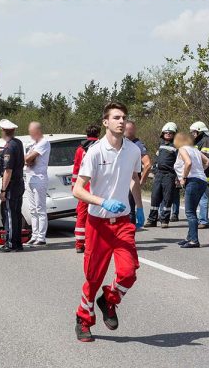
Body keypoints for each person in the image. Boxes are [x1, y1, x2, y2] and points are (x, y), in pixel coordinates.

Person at [73, 102, 144, 343]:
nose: (121, 121)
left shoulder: (133, 150)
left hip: (122, 222)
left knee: (128, 272)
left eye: (124, 117)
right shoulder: (95, 152)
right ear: (106, 122)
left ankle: (109, 299)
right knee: (93, 277)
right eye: (116, 117)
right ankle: (83, 318)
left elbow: (134, 179)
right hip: (98, 224)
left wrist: (141, 208)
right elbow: (78, 190)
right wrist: (102, 202)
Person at [173, 132, 209, 248]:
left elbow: (188, 163)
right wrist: (200, 170)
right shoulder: (195, 150)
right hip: (202, 180)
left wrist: (184, 177)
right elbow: (208, 162)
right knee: (193, 211)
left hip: (192, 181)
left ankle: (194, 240)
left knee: (190, 212)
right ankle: (189, 237)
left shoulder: (182, 149)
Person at [0, 119, 25, 253]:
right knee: (17, 213)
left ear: (3, 131)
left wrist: (3, 189)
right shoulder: (17, 143)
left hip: (12, 185)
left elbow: (8, 171)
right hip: (19, 183)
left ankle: (11, 243)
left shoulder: (9, 148)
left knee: (10, 214)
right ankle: (17, 242)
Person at [72, 124, 100, 253]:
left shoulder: (80, 149)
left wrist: (74, 187)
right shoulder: (101, 148)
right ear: (98, 134)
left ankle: (79, 244)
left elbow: (76, 170)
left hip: (83, 188)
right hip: (97, 188)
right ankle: (93, 242)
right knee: (97, 216)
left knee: (81, 216)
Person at [145, 122, 178, 229]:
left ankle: (164, 220)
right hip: (158, 174)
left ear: (174, 134)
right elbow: (156, 159)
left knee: (167, 198)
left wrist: (177, 176)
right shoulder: (161, 145)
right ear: (162, 133)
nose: (168, 134)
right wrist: (154, 170)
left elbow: (179, 162)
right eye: (166, 132)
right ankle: (152, 220)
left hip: (169, 175)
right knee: (155, 197)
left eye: (170, 133)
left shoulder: (176, 146)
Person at [24, 122, 51, 246]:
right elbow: (29, 160)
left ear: (38, 131)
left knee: (40, 209)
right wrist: (28, 158)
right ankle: (34, 235)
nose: (30, 133)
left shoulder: (43, 143)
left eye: (32, 131)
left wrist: (28, 158)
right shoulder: (33, 144)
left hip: (39, 178)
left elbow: (29, 159)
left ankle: (41, 236)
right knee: (32, 209)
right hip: (29, 177)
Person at [124, 121, 152, 224]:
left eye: (127, 129)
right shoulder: (124, 143)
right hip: (124, 181)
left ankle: (129, 234)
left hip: (132, 180)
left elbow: (148, 164)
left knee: (130, 209)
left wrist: (141, 182)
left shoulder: (137, 145)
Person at [190, 121, 209, 229]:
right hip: (197, 173)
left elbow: (205, 157)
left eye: (194, 132)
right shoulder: (197, 141)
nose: (193, 134)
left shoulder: (206, 140)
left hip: (205, 173)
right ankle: (200, 220)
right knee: (196, 198)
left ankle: (204, 221)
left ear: (200, 131)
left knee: (203, 198)